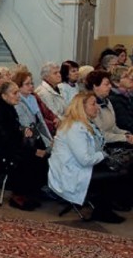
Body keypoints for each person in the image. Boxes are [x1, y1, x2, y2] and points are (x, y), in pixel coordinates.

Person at [49, 92, 126, 223]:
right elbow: (85, 160)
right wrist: (104, 154)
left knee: (120, 168)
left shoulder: (86, 124)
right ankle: (102, 210)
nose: (97, 107)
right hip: (71, 173)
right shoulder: (74, 128)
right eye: (93, 104)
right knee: (115, 174)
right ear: (81, 107)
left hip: (79, 166)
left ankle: (106, 205)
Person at [0, 82, 49, 210]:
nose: (18, 96)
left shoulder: (8, 107)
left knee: (41, 158)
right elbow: (4, 138)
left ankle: (30, 193)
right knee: (29, 158)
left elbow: (12, 132)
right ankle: (17, 195)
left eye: (18, 92)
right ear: (4, 95)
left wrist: (22, 132)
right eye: (14, 93)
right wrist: (32, 150)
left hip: (8, 145)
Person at [13, 71, 57, 150]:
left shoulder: (32, 98)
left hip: (40, 136)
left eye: (31, 83)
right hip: (30, 141)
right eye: (27, 84)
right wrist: (47, 143)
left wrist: (50, 139)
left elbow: (41, 122)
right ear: (18, 86)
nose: (31, 86)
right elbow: (29, 125)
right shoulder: (17, 103)